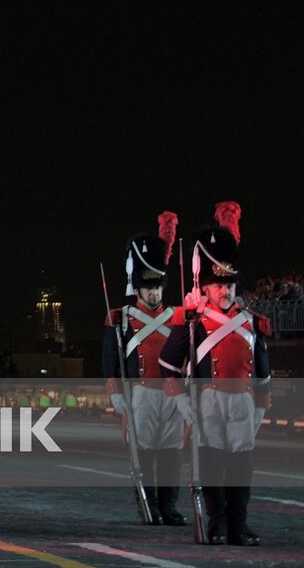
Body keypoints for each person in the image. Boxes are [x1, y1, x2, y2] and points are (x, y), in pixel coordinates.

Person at [160, 202, 271, 546]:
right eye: (219, 286)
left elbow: (262, 370)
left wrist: (261, 406)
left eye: (230, 286)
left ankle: (239, 525)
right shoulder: (192, 320)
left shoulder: (251, 320)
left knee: (240, 467)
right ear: (205, 286)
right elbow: (167, 364)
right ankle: (218, 523)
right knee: (210, 465)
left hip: (242, 403)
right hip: (207, 402)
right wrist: (182, 403)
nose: (225, 291)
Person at [102, 211, 185, 525]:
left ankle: (169, 506)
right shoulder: (119, 319)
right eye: (148, 287)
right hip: (139, 396)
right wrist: (115, 394)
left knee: (170, 454)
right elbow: (110, 363)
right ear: (136, 287)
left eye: (158, 287)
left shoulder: (177, 317)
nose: (154, 293)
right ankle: (148, 505)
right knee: (145, 455)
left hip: (171, 394)